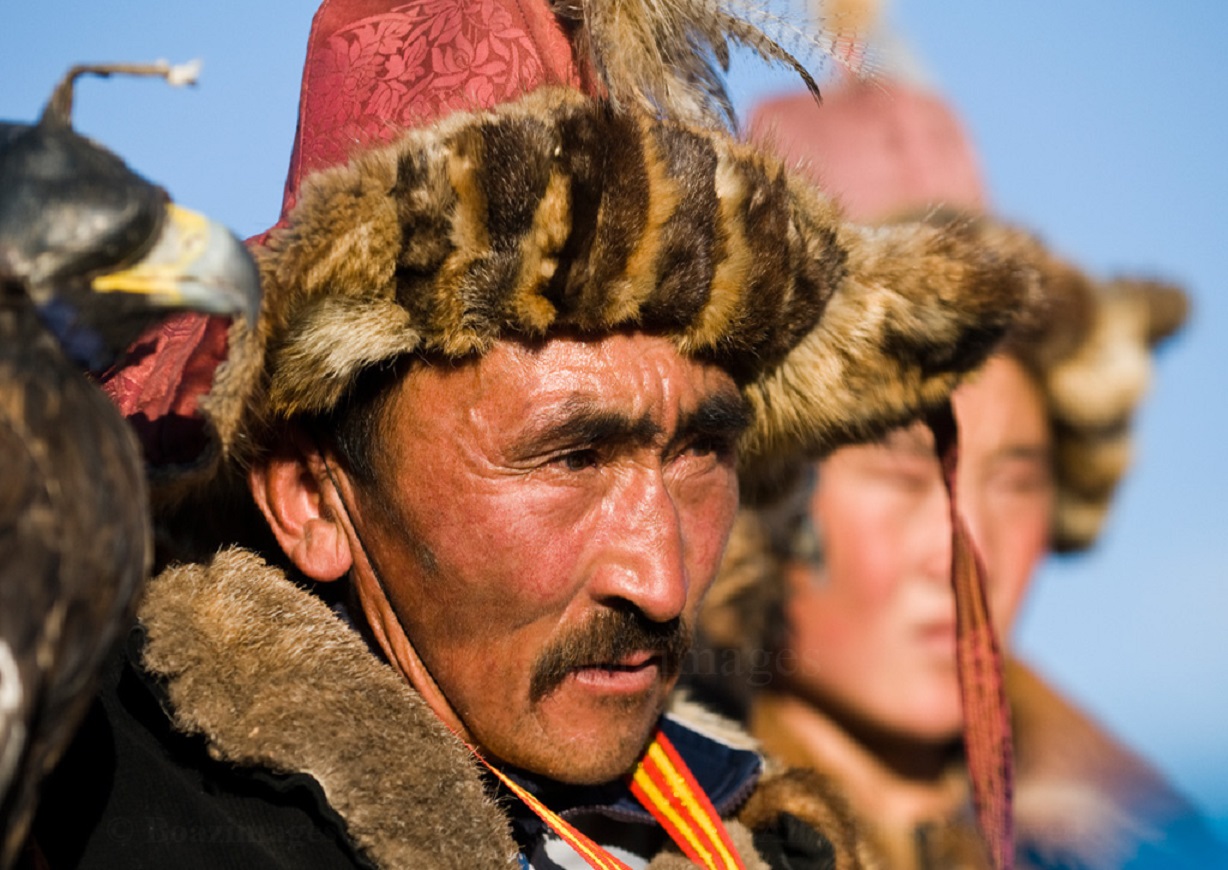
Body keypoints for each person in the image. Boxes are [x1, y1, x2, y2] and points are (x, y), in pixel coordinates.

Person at [21, 0, 1044, 867]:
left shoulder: (753, 827)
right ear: (310, 494)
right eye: (572, 456)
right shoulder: (104, 818)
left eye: (700, 453)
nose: (663, 579)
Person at [694, 11, 1224, 864]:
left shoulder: (1160, 844)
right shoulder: (624, 832)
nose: (963, 547)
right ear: (754, 492)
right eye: (905, 478)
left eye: (1015, 481)